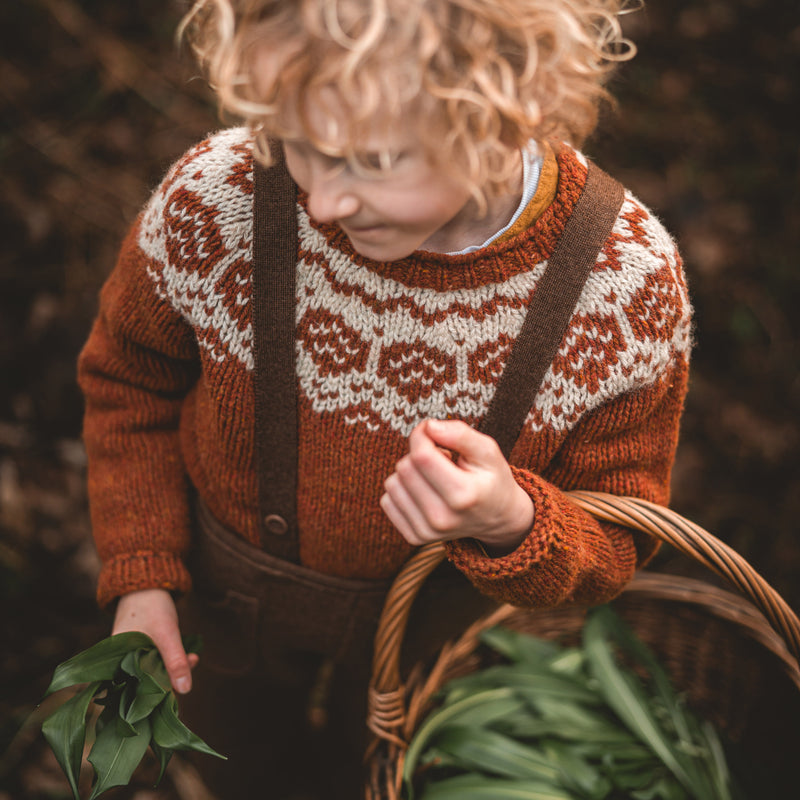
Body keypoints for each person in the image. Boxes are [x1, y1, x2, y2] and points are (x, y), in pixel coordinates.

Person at [77, 0, 692, 797]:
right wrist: (142, 572)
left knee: (372, 779)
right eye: (298, 143)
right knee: (238, 762)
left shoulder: (619, 288)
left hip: (430, 649)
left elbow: (615, 543)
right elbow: (130, 380)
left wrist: (513, 522)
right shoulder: (218, 202)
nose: (325, 201)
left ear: (503, 114)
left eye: (370, 161)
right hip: (221, 610)